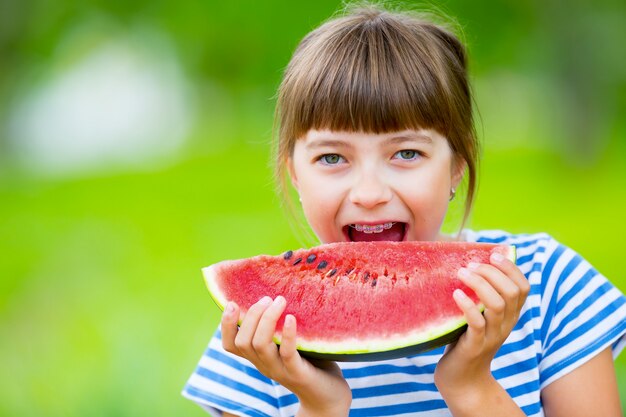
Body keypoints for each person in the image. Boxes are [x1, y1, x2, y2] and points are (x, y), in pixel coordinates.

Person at [182, 3, 626, 416]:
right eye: (332, 158)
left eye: (407, 153)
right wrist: (318, 408)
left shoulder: (551, 288)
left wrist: (472, 388)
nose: (370, 193)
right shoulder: (256, 341)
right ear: (294, 173)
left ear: (456, 165)